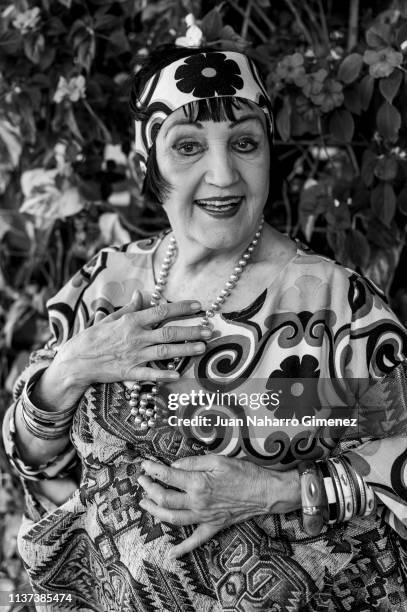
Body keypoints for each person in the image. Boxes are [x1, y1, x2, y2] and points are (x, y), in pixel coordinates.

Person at [3, 45, 407, 612]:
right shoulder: (105, 283)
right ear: (148, 164)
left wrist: (279, 492)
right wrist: (70, 370)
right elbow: (34, 461)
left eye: (245, 142)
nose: (223, 175)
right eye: (188, 147)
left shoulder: (341, 307)